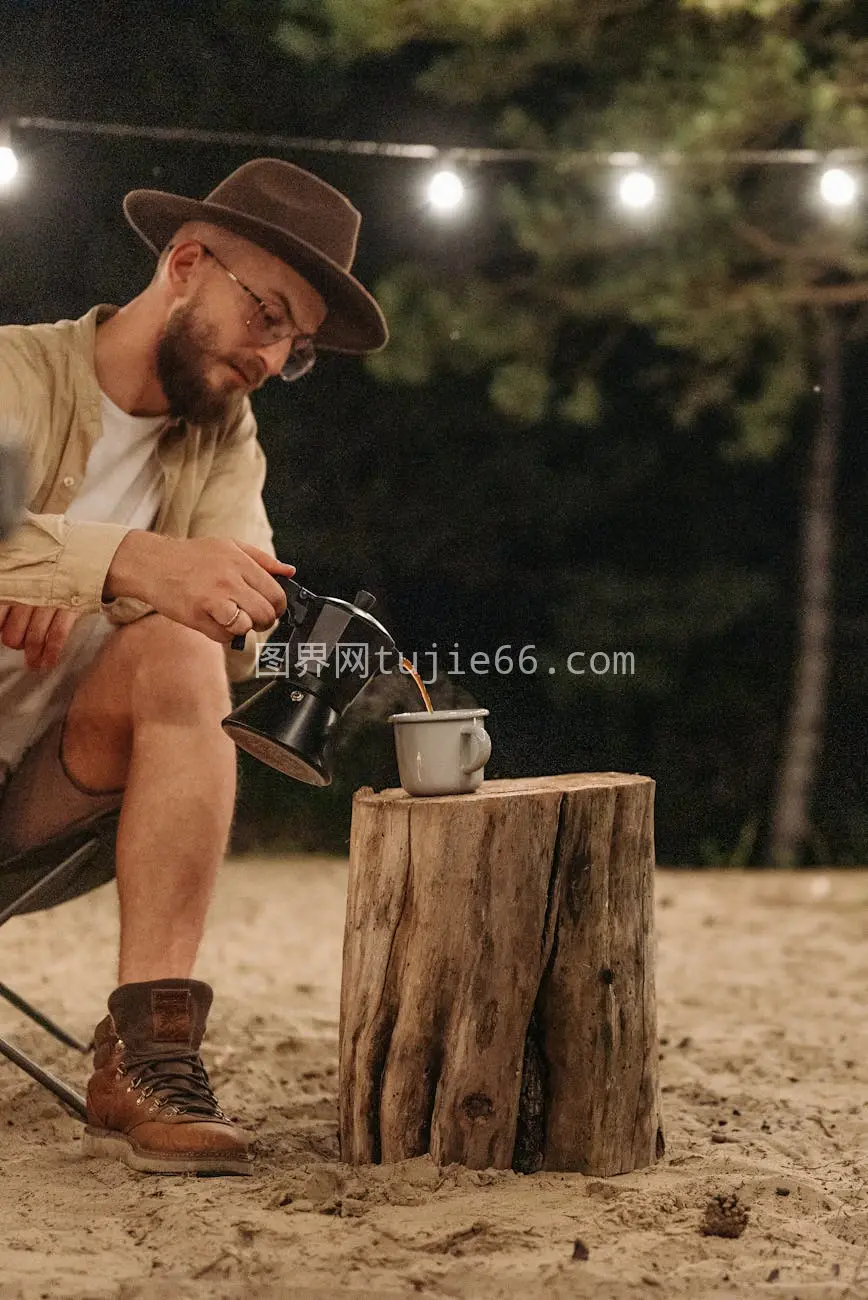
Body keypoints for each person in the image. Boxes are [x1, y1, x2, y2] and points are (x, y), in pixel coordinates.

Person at [0, 158, 388, 1175]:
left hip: (28, 803)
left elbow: (234, 620)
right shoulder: (12, 378)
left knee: (177, 650)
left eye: (296, 347)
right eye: (266, 315)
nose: (272, 356)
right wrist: (126, 558)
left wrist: (82, 577)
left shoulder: (220, 436)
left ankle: (149, 1050)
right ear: (184, 263)